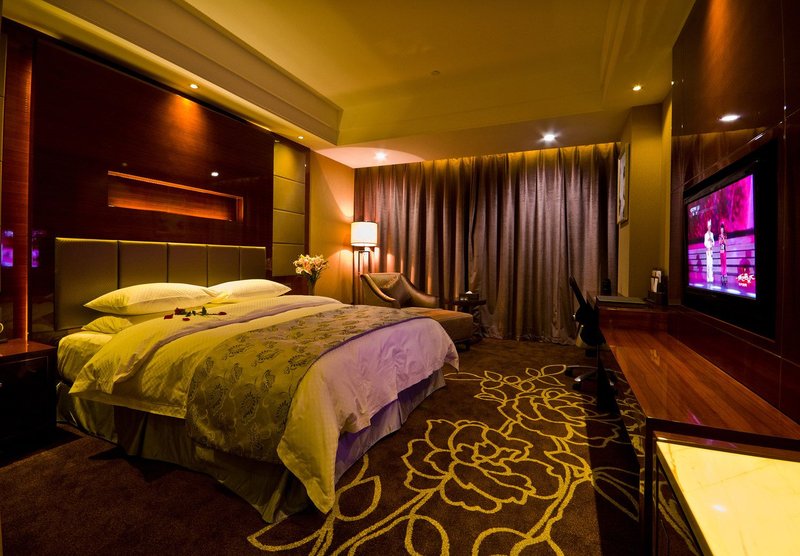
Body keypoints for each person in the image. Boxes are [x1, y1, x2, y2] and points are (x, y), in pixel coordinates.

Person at [704, 219, 715, 283]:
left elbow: (713, 243)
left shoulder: (712, 234)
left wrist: (711, 240)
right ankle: (708, 278)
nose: (709, 228)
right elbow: (705, 243)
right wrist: (708, 240)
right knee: (708, 265)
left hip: (711, 251)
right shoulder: (705, 234)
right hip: (708, 251)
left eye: (710, 226)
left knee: (711, 264)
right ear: (707, 227)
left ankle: (711, 278)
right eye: (708, 226)